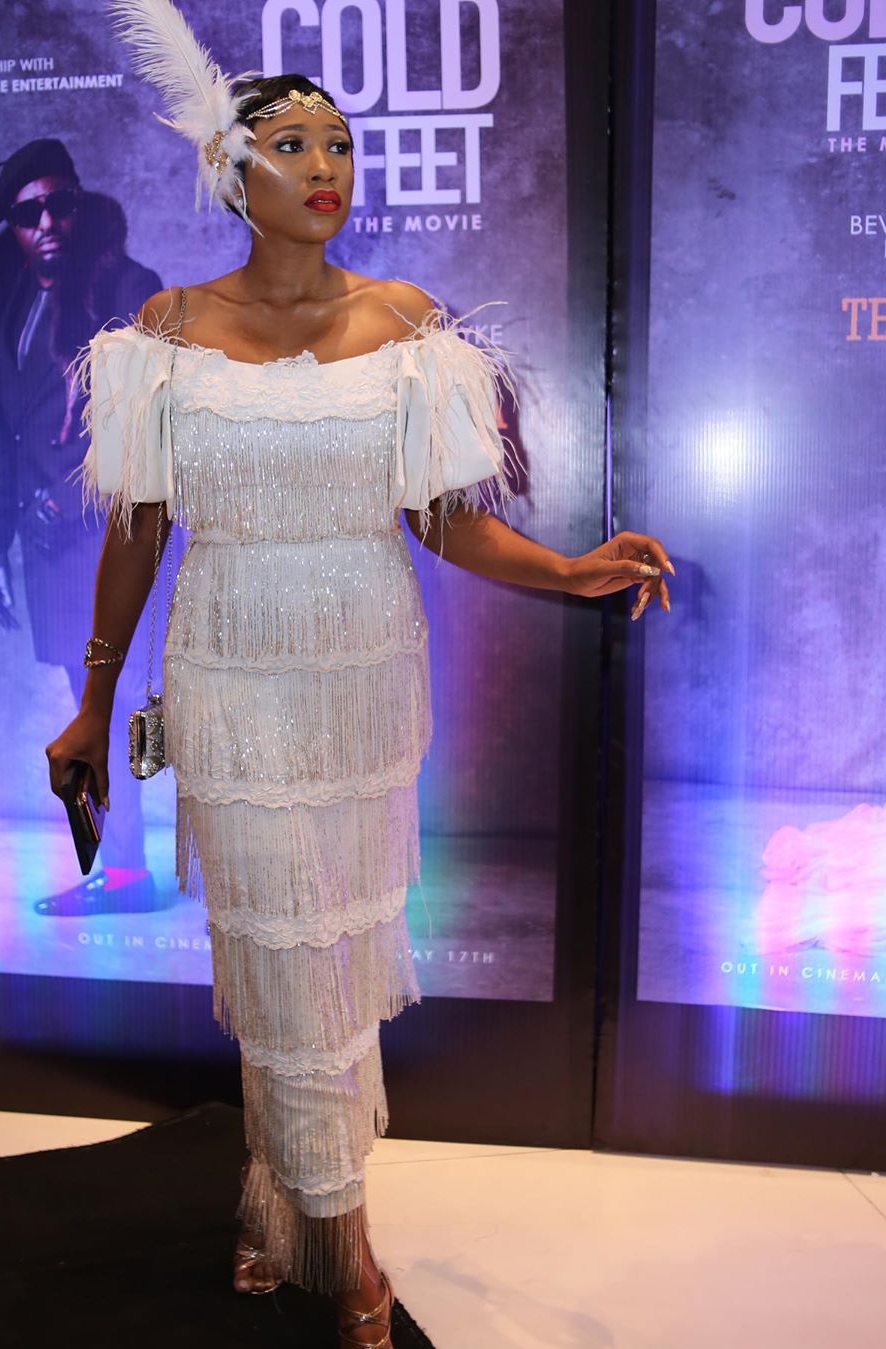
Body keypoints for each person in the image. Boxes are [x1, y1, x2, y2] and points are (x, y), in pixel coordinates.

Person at [46, 11, 675, 1344]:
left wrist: (572, 570)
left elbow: (445, 520)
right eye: (291, 144)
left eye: (338, 143)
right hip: (225, 670)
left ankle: (277, 1198)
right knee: (272, 948)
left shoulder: (406, 324)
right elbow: (137, 530)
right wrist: (95, 701)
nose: (325, 164)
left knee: (321, 959)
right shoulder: (166, 330)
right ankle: (344, 1246)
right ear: (232, 171)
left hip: (362, 685)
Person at [0, 138, 164, 916]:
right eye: (28, 213)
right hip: (46, 550)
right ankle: (119, 870)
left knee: (109, 706)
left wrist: (71, 498)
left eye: (60, 205)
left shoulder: (126, 289)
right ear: (9, 226)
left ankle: (127, 874)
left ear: (78, 206)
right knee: (89, 706)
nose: (47, 223)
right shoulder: (9, 302)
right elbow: (5, 435)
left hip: (110, 540)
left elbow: (147, 421)